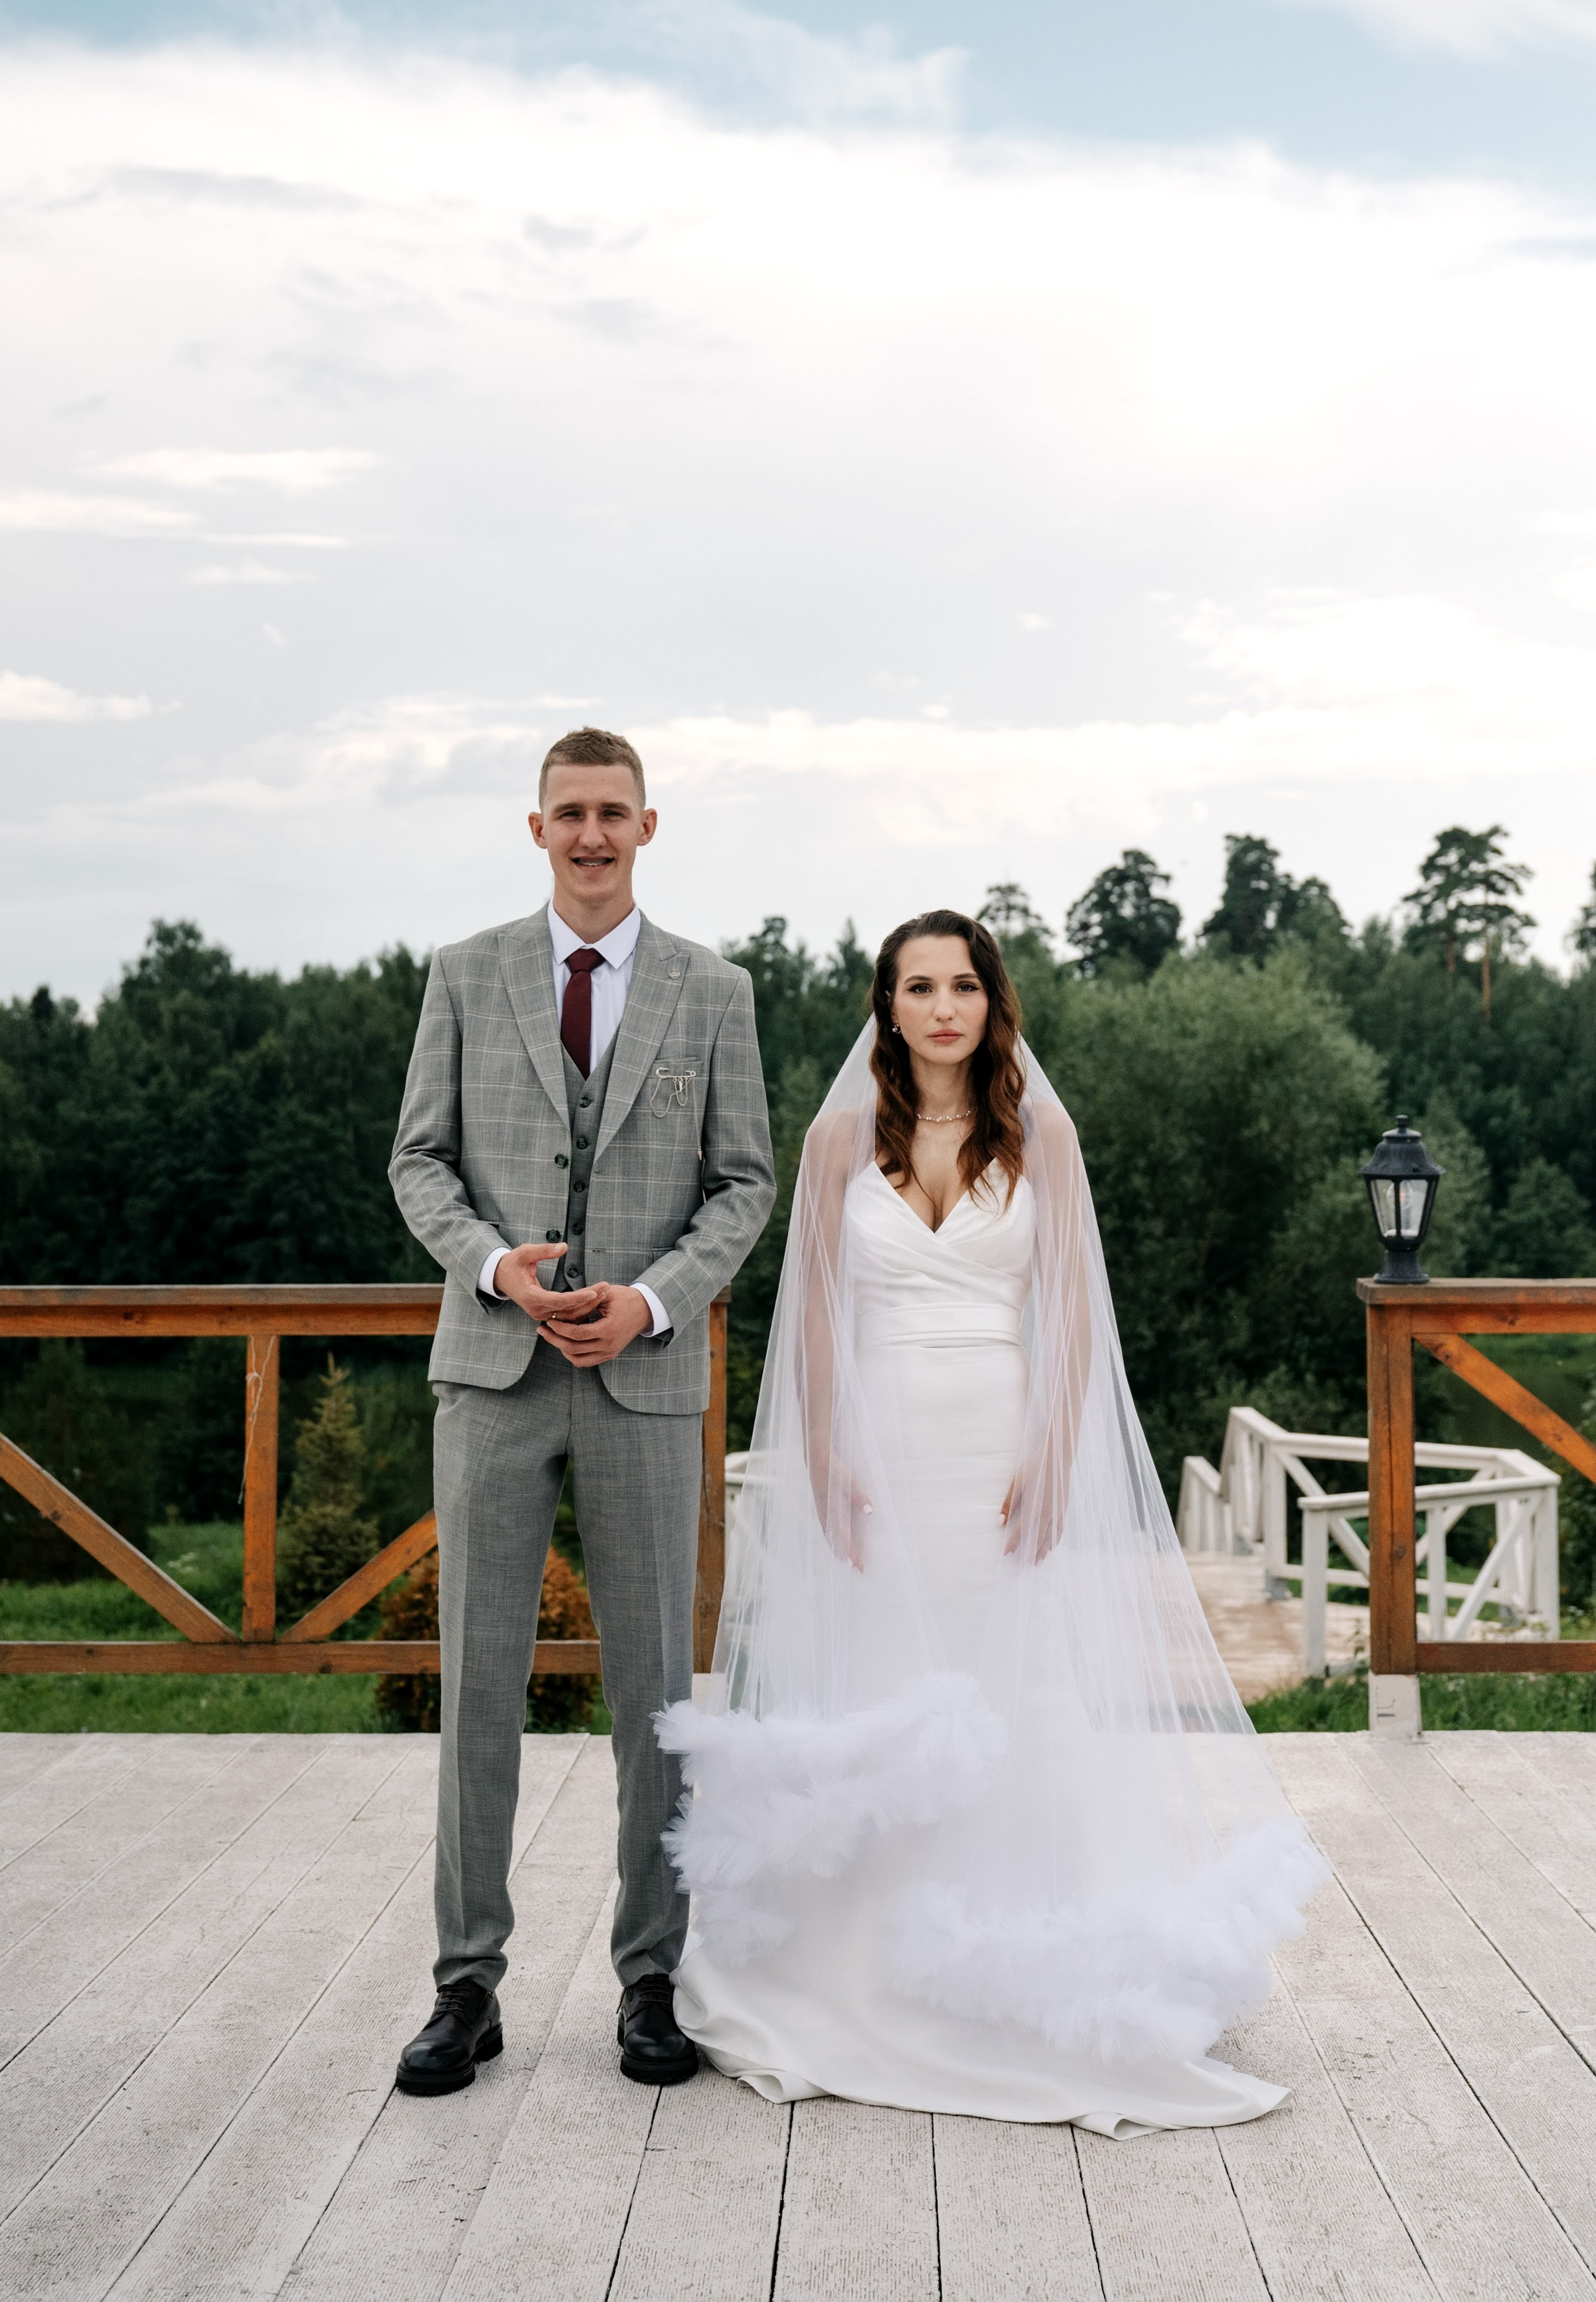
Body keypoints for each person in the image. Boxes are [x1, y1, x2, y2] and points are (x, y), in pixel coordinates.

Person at [660, 910, 1326, 2136]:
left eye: (964, 984)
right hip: (877, 1449)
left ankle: (1015, 1950)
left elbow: (1074, 1310)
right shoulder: (835, 1141)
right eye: (919, 987)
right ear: (888, 1006)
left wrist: (1053, 1450)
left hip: (998, 1445)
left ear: (990, 1001)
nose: (943, 1007)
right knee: (885, 1680)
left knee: (1009, 1679)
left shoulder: (1043, 1134)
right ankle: (857, 1966)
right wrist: (826, 1449)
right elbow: (811, 1314)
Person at [388, 727, 774, 2096]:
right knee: (477, 1682)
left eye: (613, 812)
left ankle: (650, 1980)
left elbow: (743, 1184)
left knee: (652, 1698)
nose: (592, 833)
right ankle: (464, 1987)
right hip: (491, 1375)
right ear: (535, 825)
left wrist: (654, 1302)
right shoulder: (462, 974)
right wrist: (495, 1265)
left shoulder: (713, 991)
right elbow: (416, 1159)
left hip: (645, 1382)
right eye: (570, 812)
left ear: (648, 826)